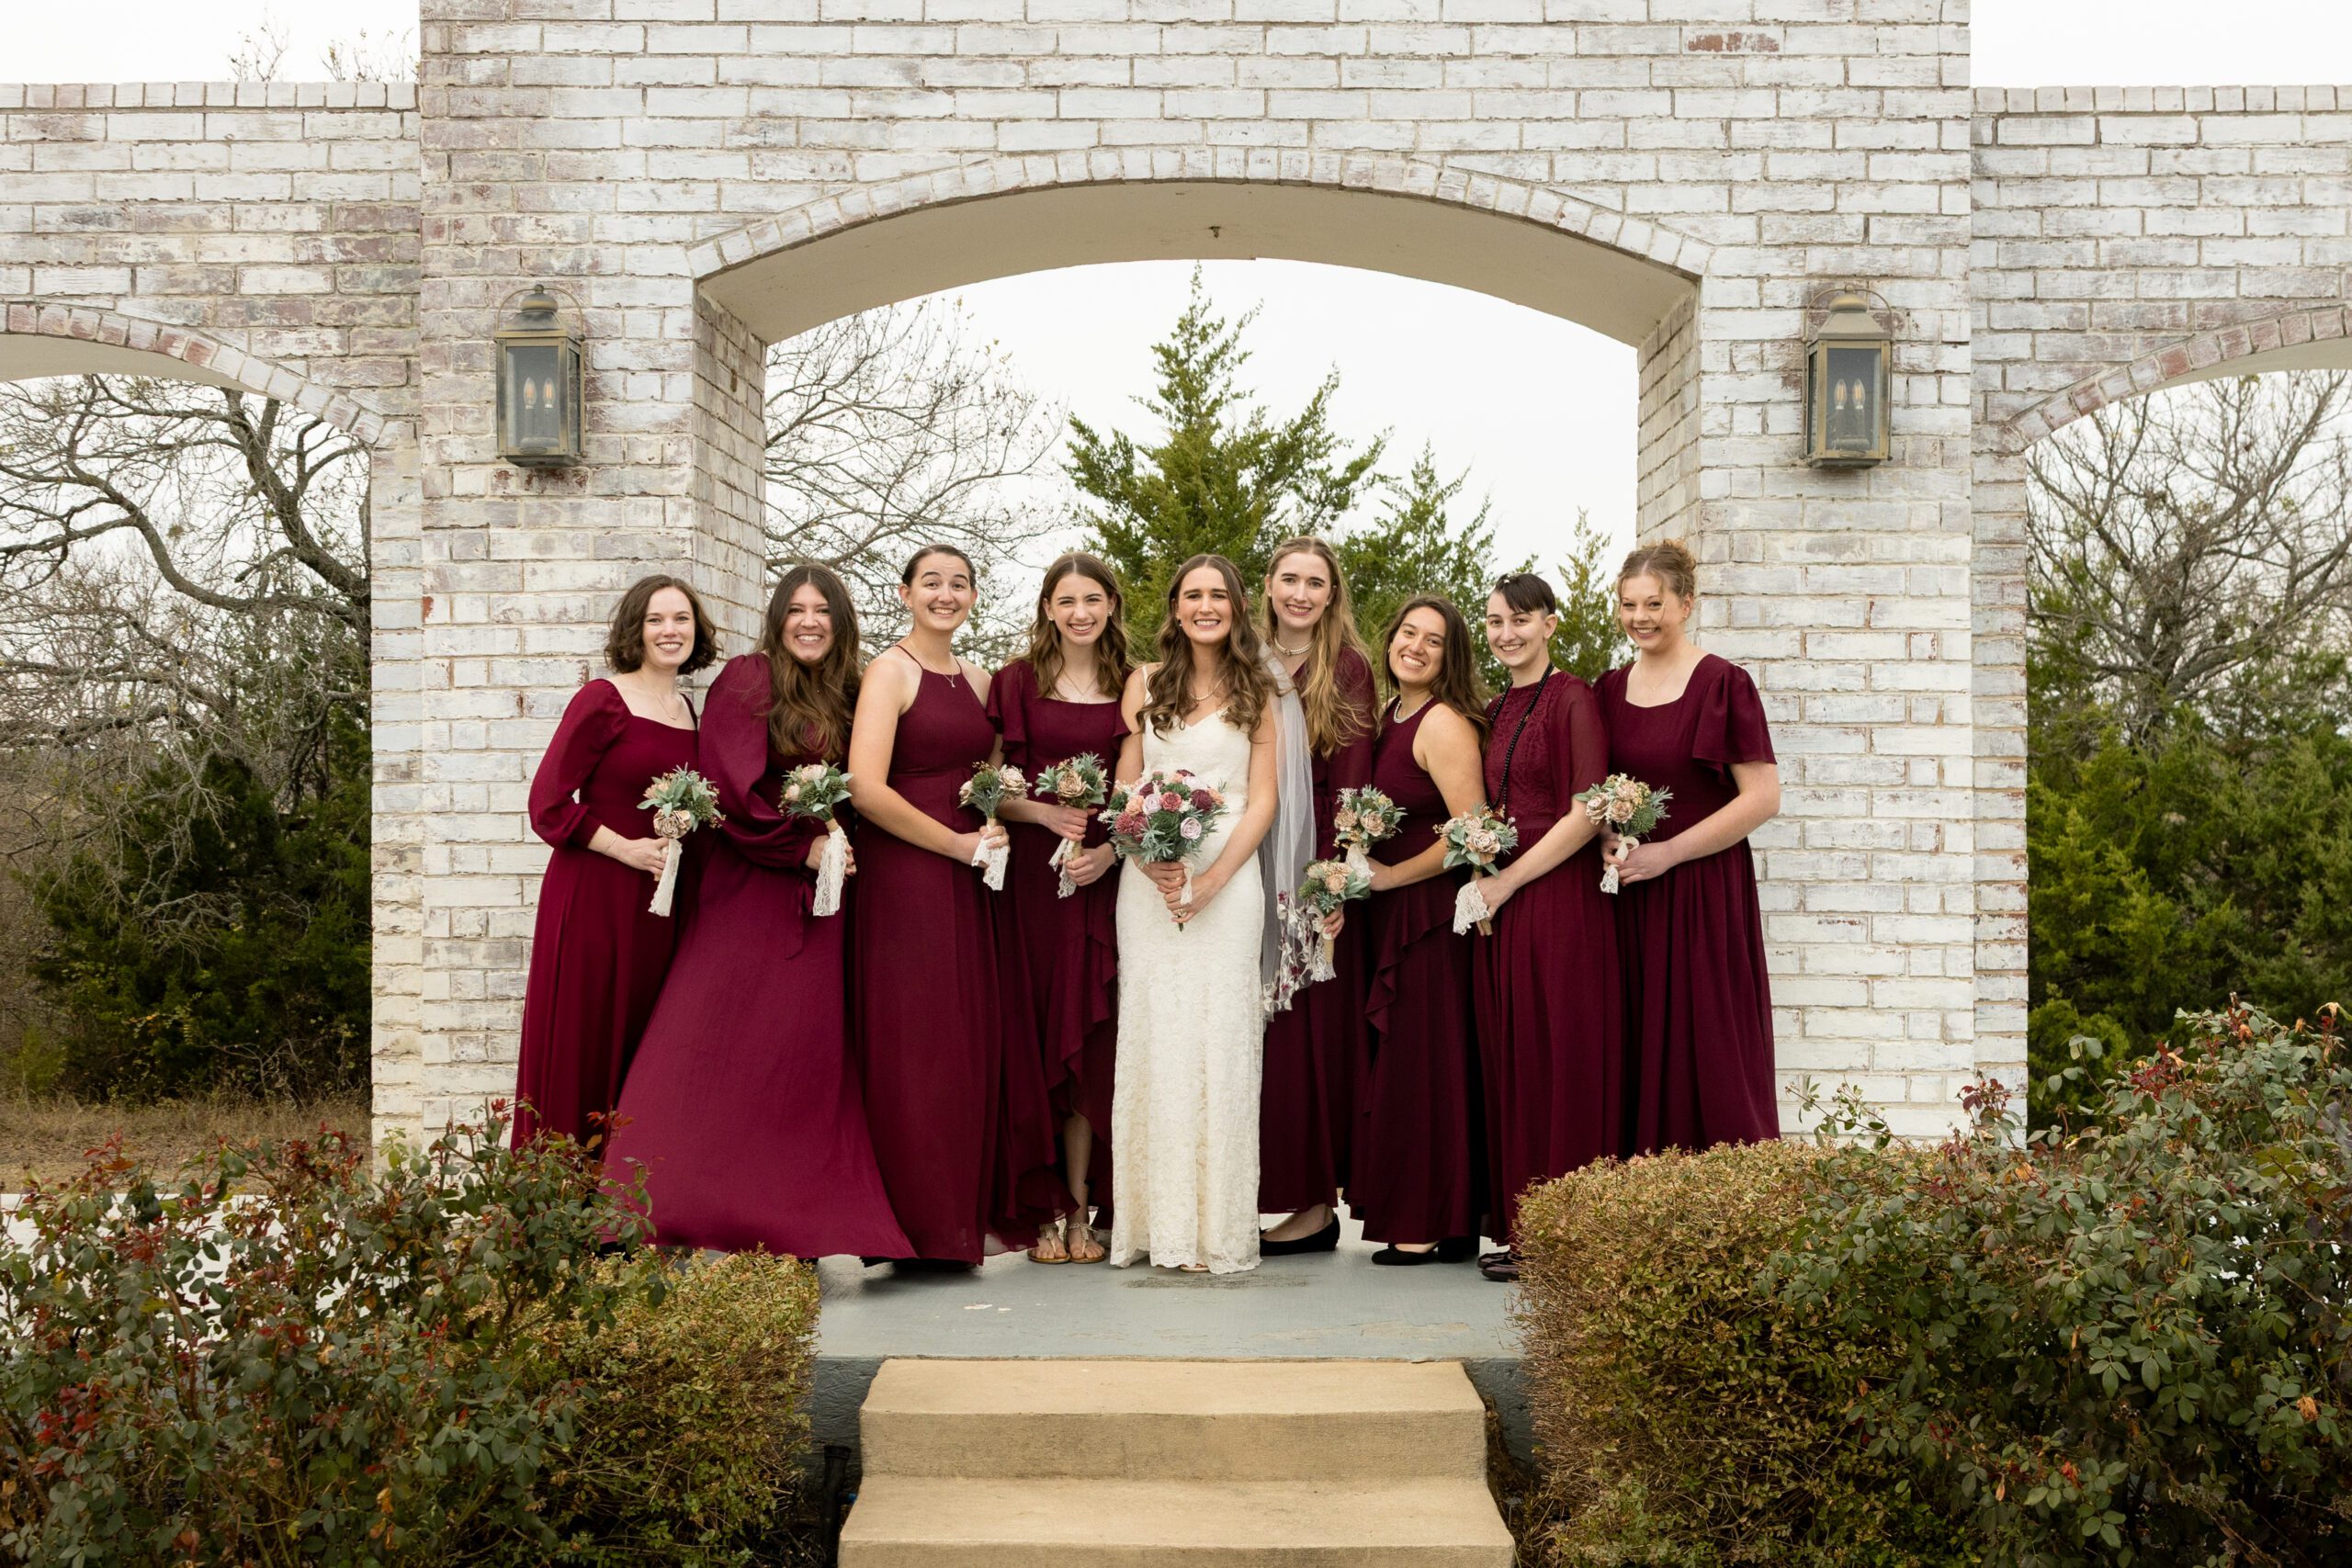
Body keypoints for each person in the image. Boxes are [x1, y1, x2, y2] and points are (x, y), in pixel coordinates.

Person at [603, 565, 911, 1259]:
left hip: (826, 898)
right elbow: (734, 790)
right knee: (710, 1041)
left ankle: (787, 1220)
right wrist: (800, 848)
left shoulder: (851, 688)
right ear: (777, 618)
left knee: (798, 1061)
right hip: (751, 886)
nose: (809, 621)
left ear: (841, 620)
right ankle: (651, 1208)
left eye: (822, 610)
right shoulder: (749, 677)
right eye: (795, 609)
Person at [849, 544, 1061, 1266]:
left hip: (976, 876)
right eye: (931, 583)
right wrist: (958, 844)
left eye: (959, 583)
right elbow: (868, 789)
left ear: (974, 596)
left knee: (968, 1044)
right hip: (908, 877)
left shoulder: (978, 679)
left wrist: (1008, 820)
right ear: (905, 593)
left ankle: (957, 1221)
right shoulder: (889, 671)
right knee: (917, 1047)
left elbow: (985, 781)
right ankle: (912, 1231)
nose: (946, 594)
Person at [1108, 556, 1282, 1274]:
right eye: (1193, 596)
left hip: (1229, 879)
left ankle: (1217, 1229)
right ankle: (1156, 1224)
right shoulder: (1144, 683)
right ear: (1175, 607)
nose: (1206, 606)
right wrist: (1147, 858)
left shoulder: (1261, 689)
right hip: (1147, 886)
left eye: (1219, 596)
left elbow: (1264, 800)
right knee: (1155, 1037)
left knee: (1220, 1037)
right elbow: (1125, 786)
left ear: (1239, 608)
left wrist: (1210, 881)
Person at [513, 574, 714, 1149]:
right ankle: (562, 1200)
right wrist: (624, 848)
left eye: (681, 619)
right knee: (587, 1034)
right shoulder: (603, 699)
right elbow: (546, 802)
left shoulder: (690, 711)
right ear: (636, 630)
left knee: (644, 1043)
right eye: (656, 620)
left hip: (658, 905)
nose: (669, 631)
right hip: (595, 895)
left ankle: (624, 1209)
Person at [1595, 540, 1782, 1152]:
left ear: (1687, 604)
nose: (1640, 616)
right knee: (1631, 1046)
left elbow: (1762, 797)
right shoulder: (1606, 689)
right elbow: (1591, 788)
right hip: (1627, 897)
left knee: (1708, 1048)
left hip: (1702, 892)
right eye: (1629, 604)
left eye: (1654, 603)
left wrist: (1669, 852)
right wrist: (1606, 839)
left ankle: (1724, 1211)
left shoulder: (1723, 684)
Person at [1466, 573, 1623, 1282]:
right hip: (1508, 900)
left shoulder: (1573, 699)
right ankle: (1525, 1228)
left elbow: (1587, 810)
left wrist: (1509, 878)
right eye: (1496, 621)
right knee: (1518, 1059)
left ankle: (1570, 1236)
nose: (1506, 634)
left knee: (1563, 1058)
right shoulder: (1496, 706)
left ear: (1551, 624)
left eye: (1520, 620)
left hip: (1558, 899)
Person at [990, 553, 1133, 1266]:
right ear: (1048, 607)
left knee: (1091, 1038)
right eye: (1066, 599)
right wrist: (1045, 815)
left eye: (1093, 598)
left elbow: (1140, 789)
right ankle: (1044, 1207)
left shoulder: (1134, 682)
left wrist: (1108, 851)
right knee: (1039, 1033)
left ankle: (1084, 1209)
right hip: (1033, 883)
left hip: (1105, 878)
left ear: (1111, 604)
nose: (1080, 611)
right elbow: (987, 787)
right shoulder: (1015, 681)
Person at [1349, 596, 1493, 1265]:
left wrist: (1387, 878)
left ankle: (1433, 1217)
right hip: (1393, 910)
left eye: (1433, 641)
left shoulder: (1442, 723)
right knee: (1410, 1064)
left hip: (1429, 913)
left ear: (1449, 656)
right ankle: (1444, 1214)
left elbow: (1472, 831)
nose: (1416, 646)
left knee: (1428, 1065)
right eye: (1408, 632)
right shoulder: (1389, 716)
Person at [1256, 537, 1378, 1257]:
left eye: (1316, 583)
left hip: (1311, 867)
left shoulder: (1349, 669)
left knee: (1306, 1033)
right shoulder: (1245, 658)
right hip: (1246, 849)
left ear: (1332, 596)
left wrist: (1334, 879)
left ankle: (1311, 1204)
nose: (1301, 593)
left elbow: (1357, 785)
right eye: (1290, 579)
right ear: (1267, 586)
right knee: (1256, 1027)